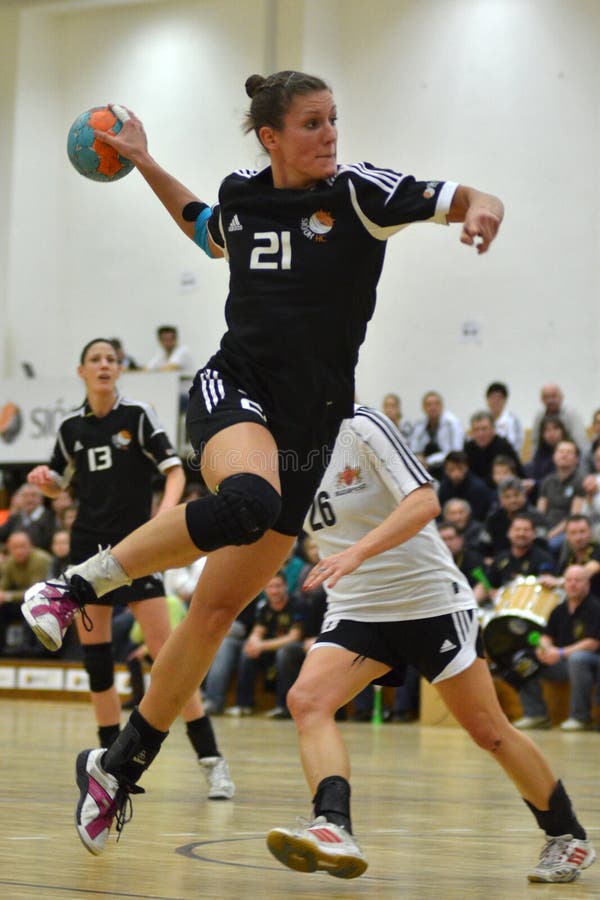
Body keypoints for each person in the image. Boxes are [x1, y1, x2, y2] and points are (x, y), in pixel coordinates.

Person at [20, 70, 503, 855]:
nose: (330, 135)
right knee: (244, 501)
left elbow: (468, 196)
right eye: (312, 124)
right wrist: (144, 161)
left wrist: (483, 208)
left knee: (212, 613)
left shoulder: (359, 194)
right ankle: (69, 587)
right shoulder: (245, 192)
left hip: (311, 425)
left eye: (334, 120)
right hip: (234, 387)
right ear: (271, 136)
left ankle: (114, 768)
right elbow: (206, 222)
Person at [264, 406, 595, 884]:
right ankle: (333, 826)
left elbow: (424, 503)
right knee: (306, 700)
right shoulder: (275, 456)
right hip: (358, 607)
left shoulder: (360, 427)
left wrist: (355, 553)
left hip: (428, 600)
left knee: (489, 732)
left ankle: (568, 836)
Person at [25, 338, 234, 801]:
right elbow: (58, 483)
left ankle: (212, 761)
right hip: (87, 550)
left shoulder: (137, 416)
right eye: (95, 360)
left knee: (170, 660)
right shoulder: (70, 428)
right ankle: (109, 770)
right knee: (98, 664)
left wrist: (166, 516)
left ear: (119, 370)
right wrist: (45, 482)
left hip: (136, 551)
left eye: (111, 360)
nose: (104, 365)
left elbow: (175, 469)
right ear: (81, 371)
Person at [512, 566, 600, 732]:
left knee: (578, 658)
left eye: (578, 581)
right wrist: (545, 649)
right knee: (524, 658)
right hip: (563, 663)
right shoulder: (559, 610)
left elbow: (593, 643)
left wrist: (559, 653)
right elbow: (547, 636)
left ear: (587, 584)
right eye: (569, 580)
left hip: (591, 664)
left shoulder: (595, 608)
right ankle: (535, 714)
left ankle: (581, 718)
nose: (573, 584)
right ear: (564, 584)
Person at [225, 571, 306, 718]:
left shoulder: (297, 604)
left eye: (278, 586)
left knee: (285, 652)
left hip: (296, 650)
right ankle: (243, 705)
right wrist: (254, 643)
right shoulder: (264, 607)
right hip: (271, 648)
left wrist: (260, 646)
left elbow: (293, 637)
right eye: (270, 587)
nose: (274, 591)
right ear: (264, 589)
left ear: (286, 587)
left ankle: (283, 707)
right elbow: (257, 632)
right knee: (247, 651)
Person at [0, 531, 51, 654]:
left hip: (45, 602)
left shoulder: (40, 559)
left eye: (23, 546)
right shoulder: (10, 563)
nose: (19, 551)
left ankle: (28, 650)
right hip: (22, 601)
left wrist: (7, 596)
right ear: (9, 549)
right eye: (15, 548)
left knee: (30, 607)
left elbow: (35, 592)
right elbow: (3, 587)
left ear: (31, 546)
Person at [488, 514, 555, 598]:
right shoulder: (500, 558)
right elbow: (489, 585)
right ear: (509, 533)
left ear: (534, 534)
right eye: (517, 529)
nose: (521, 533)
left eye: (526, 530)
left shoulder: (544, 559)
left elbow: (548, 582)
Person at [536, 440, 585, 556]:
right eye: (561, 451)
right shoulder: (547, 481)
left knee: (550, 545)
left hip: (566, 530)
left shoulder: (580, 481)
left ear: (577, 459)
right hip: (546, 527)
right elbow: (540, 512)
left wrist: (551, 534)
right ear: (554, 456)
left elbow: (573, 517)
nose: (564, 455)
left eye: (569, 452)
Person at [540, 514, 600, 599]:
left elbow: (588, 571)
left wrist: (557, 581)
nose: (578, 537)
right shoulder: (569, 559)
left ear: (590, 532)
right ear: (567, 536)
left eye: (582, 531)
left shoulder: (597, 550)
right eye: (573, 533)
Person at [409, 390, 464, 480]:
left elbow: (456, 452)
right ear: (423, 408)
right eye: (429, 404)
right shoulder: (420, 424)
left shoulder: (452, 423)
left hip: (449, 465)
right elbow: (414, 448)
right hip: (425, 466)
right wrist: (419, 458)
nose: (433, 407)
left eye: (436, 404)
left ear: (442, 406)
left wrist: (428, 460)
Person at [464, 411, 525, 490]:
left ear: (493, 429)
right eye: (476, 430)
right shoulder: (468, 448)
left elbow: (518, 474)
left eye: (484, 429)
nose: (480, 434)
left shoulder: (504, 446)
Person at [438, 520, 490, 605]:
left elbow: (483, 585)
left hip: (469, 604)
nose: (447, 544)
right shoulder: (433, 562)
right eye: (443, 539)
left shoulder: (473, 559)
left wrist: (469, 605)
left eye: (451, 538)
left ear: (460, 539)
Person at [531, 385, 588, 459]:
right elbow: (535, 442)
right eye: (546, 397)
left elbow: (580, 441)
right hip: (545, 457)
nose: (550, 400)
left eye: (554, 396)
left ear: (561, 397)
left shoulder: (571, 414)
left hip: (570, 457)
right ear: (541, 400)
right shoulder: (539, 416)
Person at [437, 450, 495, 522]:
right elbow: (440, 513)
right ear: (445, 470)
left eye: (460, 468)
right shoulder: (444, 486)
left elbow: (478, 517)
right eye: (451, 469)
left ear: (466, 468)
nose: (456, 474)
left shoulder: (478, 488)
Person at [0, 483, 56, 551]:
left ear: (41, 498)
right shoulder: (15, 518)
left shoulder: (50, 517)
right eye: (25, 496)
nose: (29, 499)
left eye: (33, 495)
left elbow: (48, 543)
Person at [485, 381, 524, 455]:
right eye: (492, 398)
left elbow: (518, 444)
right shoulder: (483, 420)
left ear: (505, 400)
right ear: (487, 400)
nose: (495, 401)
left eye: (499, 398)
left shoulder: (513, 420)